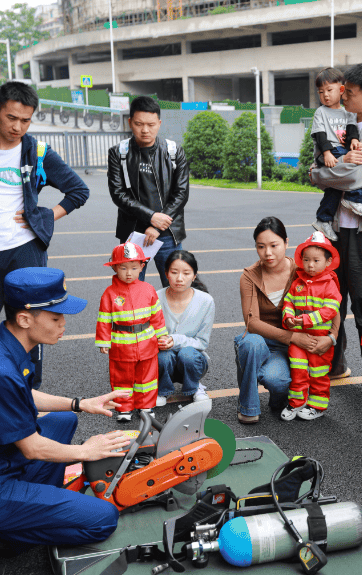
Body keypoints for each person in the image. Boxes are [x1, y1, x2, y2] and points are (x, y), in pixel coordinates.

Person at [0, 267, 133, 575]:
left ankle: (29, 507)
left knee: (65, 420)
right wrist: (86, 451)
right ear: (25, 319)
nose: (63, 324)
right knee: (103, 520)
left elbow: (23, 394)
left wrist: (82, 403)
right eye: (55, 318)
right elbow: (32, 447)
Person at [0, 80, 89, 389]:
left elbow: (78, 190)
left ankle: (26, 401)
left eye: (26, 120)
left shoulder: (36, 151)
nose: (18, 126)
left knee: (31, 332)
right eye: (12, 118)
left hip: (26, 253)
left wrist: (45, 215)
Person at [309, 63, 362, 393]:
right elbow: (321, 157)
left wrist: (319, 175)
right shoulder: (339, 119)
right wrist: (327, 167)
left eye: (351, 93)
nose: (343, 96)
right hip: (337, 226)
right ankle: (335, 365)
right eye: (342, 90)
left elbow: (356, 175)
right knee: (331, 298)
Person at [236, 217, 339, 424]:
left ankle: (280, 398)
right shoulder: (249, 276)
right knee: (249, 343)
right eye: (261, 246)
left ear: (286, 243)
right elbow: (252, 322)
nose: (268, 252)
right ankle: (248, 407)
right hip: (264, 340)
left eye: (274, 245)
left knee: (279, 381)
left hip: (291, 346)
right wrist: (292, 336)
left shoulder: (302, 271)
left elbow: (333, 304)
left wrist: (332, 337)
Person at [107, 95, 190, 287]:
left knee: (175, 288)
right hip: (133, 235)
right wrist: (151, 217)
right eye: (139, 124)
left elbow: (181, 193)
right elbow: (118, 194)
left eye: (151, 124)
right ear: (130, 122)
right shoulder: (119, 153)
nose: (145, 130)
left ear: (159, 123)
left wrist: (158, 225)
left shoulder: (174, 151)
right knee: (129, 290)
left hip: (168, 234)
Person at [95, 242, 169, 421]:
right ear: (114, 268)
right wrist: (104, 341)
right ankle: (124, 409)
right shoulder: (110, 293)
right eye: (123, 268)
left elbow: (156, 316)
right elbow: (104, 320)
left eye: (134, 268)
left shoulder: (148, 289)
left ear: (142, 267)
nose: (129, 273)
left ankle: (146, 406)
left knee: (147, 378)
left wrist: (162, 335)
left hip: (147, 344)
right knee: (122, 378)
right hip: (121, 345)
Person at [281, 232, 342, 421]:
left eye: (316, 260)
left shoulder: (329, 283)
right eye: (306, 260)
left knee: (318, 373)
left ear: (328, 261)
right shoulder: (298, 282)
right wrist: (288, 317)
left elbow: (331, 309)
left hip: (319, 339)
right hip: (298, 338)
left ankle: (317, 405)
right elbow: (288, 302)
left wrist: (306, 320)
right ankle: (296, 403)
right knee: (297, 370)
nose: (310, 265)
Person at [310, 67, 362, 241]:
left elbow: (351, 130)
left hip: (340, 150)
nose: (325, 95)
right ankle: (353, 198)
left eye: (329, 90)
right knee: (355, 165)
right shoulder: (321, 112)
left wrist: (354, 140)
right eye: (321, 92)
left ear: (341, 90)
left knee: (335, 187)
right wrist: (326, 153)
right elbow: (320, 135)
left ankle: (323, 219)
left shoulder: (347, 112)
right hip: (326, 151)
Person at [156, 250, 214, 407]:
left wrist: (175, 340)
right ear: (166, 273)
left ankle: (194, 387)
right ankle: (162, 390)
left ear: (194, 276)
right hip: (162, 359)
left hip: (192, 360)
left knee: (187, 354)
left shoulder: (206, 301)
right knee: (163, 355)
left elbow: (202, 343)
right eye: (174, 272)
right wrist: (159, 342)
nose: (179, 278)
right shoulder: (155, 298)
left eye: (186, 273)